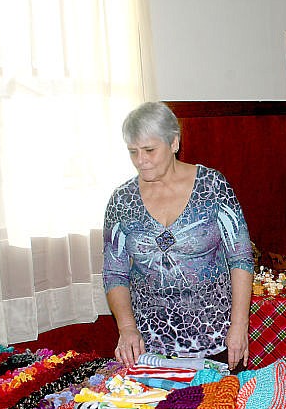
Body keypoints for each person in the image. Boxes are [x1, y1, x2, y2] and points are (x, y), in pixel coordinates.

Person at [103, 101, 254, 370]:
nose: (141, 160)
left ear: (174, 143)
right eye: (133, 152)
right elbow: (114, 273)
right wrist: (127, 329)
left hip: (216, 337)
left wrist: (239, 326)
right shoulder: (121, 200)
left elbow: (240, 259)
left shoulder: (212, 186)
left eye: (149, 150)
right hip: (149, 345)